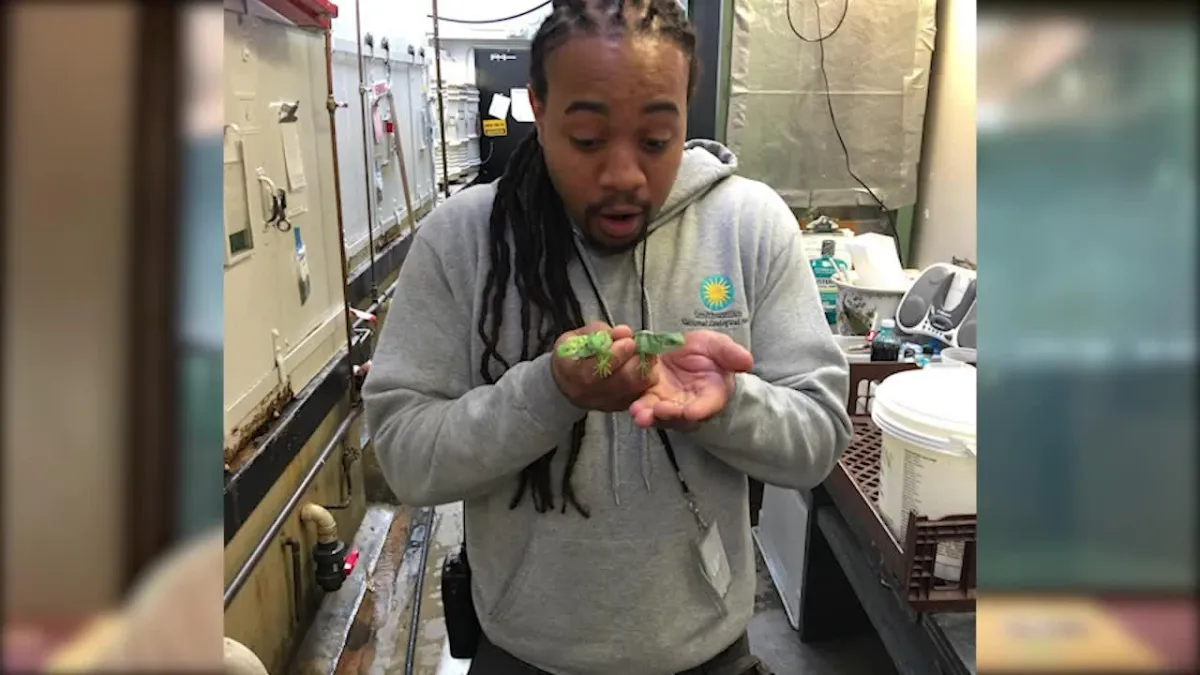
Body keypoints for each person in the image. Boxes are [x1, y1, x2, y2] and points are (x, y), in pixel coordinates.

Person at [363, 0, 852, 672]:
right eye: (588, 140)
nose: (623, 174)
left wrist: (731, 404)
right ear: (538, 106)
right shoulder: (464, 240)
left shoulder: (748, 226)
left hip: (709, 654)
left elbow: (819, 438)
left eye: (655, 140)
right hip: (524, 655)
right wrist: (545, 392)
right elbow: (404, 455)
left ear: (688, 106)